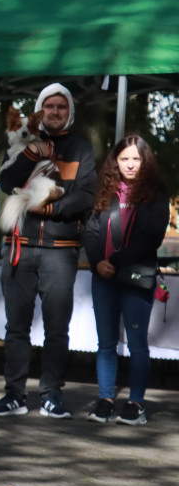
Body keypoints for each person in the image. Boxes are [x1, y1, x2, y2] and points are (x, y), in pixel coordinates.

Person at [0, 83, 96, 419]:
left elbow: (86, 194)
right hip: (20, 246)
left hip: (59, 251)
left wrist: (50, 210)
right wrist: (31, 156)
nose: (54, 112)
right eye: (48, 106)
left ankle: (52, 394)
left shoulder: (80, 147)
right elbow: (6, 184)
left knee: (57, 327)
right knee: (16, 327)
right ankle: (14, 394)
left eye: (61, 107)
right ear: (40, 110)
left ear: (69, 112)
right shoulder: (24, 144)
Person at [82, 135, 168, 426]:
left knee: (137, 343)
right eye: (124, 159)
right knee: (105, 343)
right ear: (115, 162)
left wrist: (113, 262)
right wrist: (97, 263)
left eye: (136, 159)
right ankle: (105, 399)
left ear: (145, 162)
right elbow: (91, 230)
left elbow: (150, 238)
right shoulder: (103, 192)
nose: (130, 165)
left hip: (135, 276)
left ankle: (135, 403)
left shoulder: (156, 195)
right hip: (103, 277)